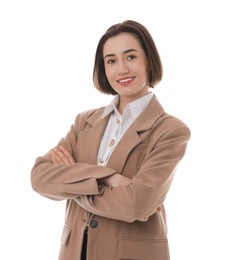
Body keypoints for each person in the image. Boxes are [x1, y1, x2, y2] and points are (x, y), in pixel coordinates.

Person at [31, 20, 191, 260]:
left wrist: (72, 179)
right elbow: (40, 177)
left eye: (131, 57)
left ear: (149, 60)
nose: (122, 70)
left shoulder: (170, 131)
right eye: (111, 61)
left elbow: (137, 204)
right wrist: (109, 177)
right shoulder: (84, 122)